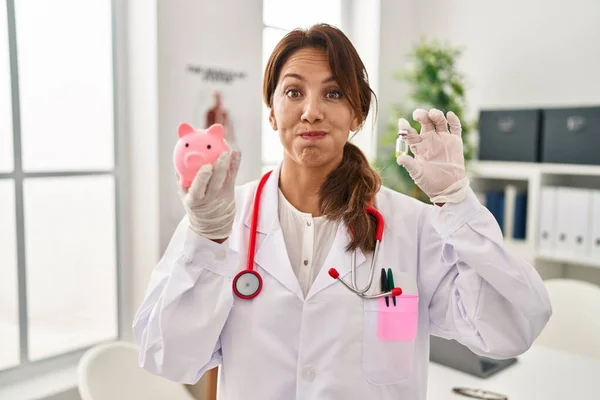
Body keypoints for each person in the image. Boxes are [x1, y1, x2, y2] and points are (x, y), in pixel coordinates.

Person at [133, 24, 552, 399]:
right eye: (293, 92)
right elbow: (165, 358)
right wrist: (207, 241)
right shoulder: (222, 219)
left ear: (357, 113)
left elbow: (512, 330)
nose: (311, 111)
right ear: (272, 113)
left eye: (332, 93)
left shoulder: (413, 227)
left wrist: (458, 204)